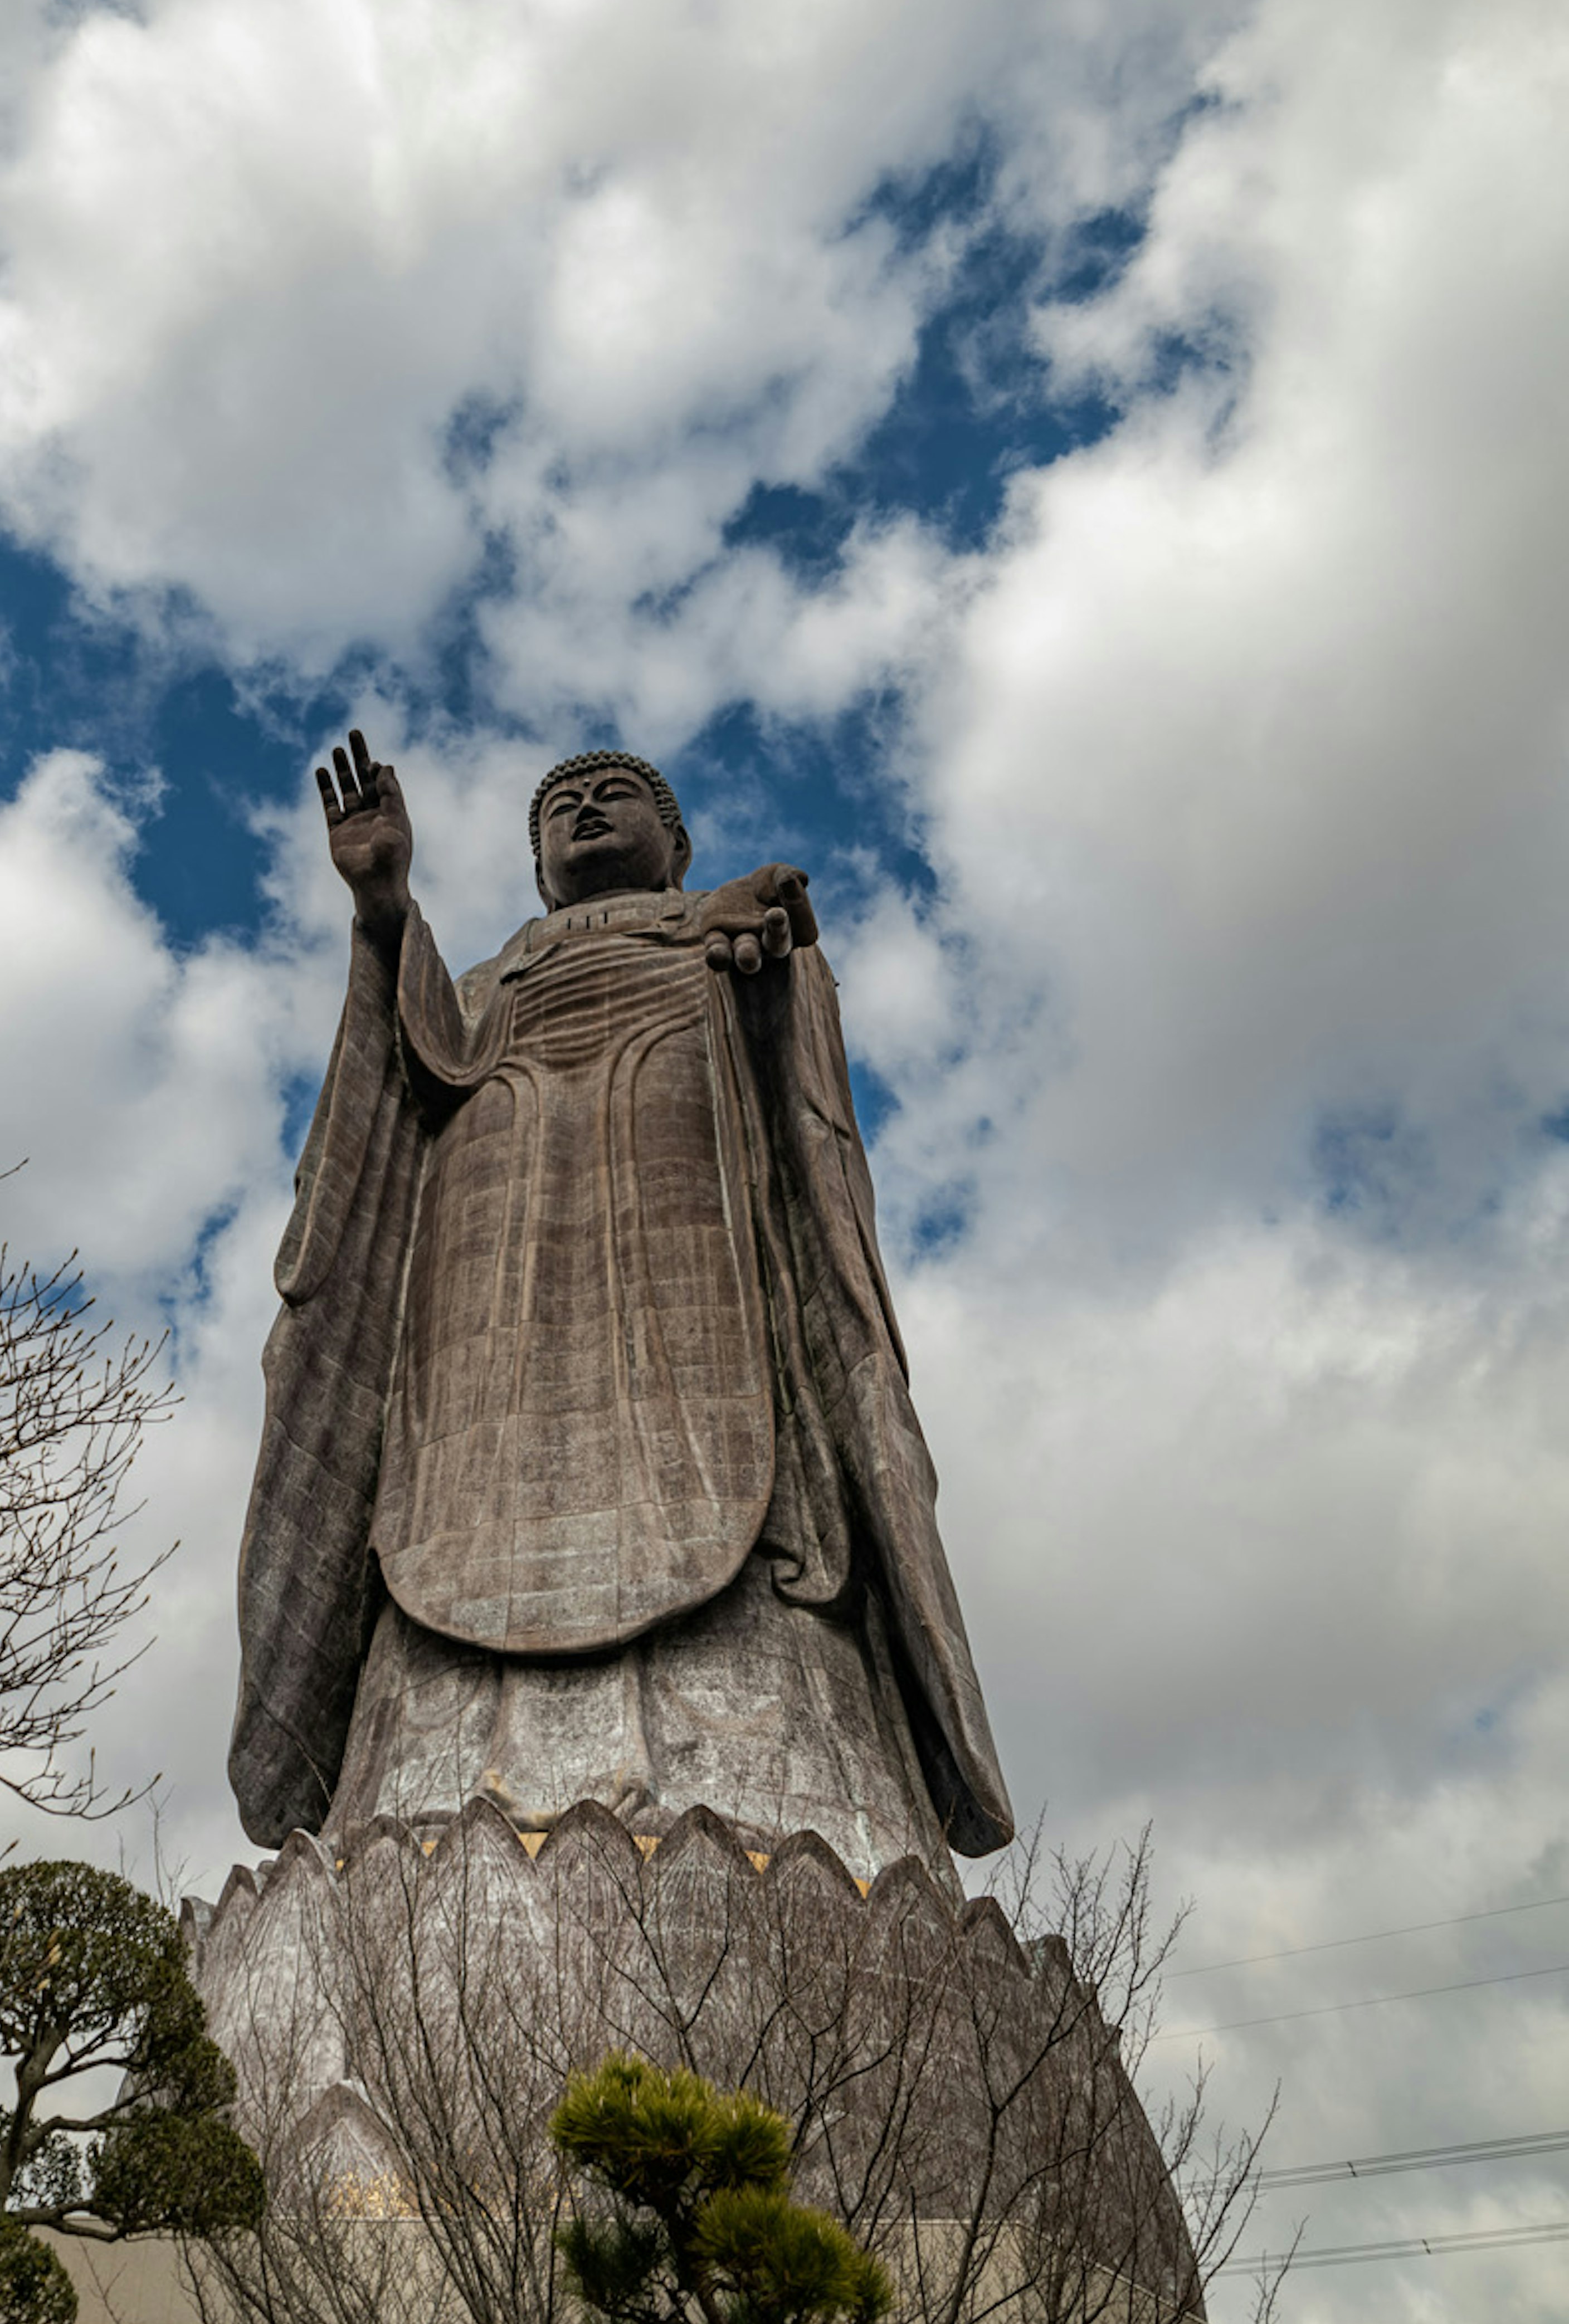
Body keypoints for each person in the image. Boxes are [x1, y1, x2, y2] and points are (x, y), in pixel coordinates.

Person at [228, 731, 1011, 1882]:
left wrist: (762, 967)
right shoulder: (489, 982)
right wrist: (387, 909)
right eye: (564, 807)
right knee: (449, 1470)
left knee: (740, 1418)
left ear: (677, 846)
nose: (589, 810)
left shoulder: (726, 929)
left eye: (618, 796)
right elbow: (403, 1097)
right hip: (485, 1274)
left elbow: (797, 1127)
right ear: (542, 869)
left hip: (690, 1239)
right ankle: (412, 1790)